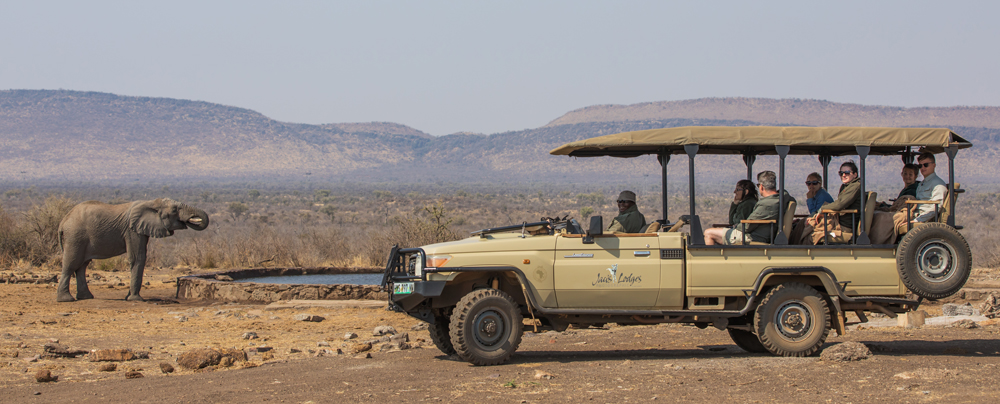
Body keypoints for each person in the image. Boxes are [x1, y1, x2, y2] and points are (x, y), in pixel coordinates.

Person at [705, 171, 795, 245]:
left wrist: (736, 227)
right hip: (760, 234)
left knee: (708, 233)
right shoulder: (781, 198)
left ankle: (711, 264)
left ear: (762, 187)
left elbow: (747, 226)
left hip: (753, 237)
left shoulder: (766, 204)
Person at [804, 161, 861, 244]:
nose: (843, 175)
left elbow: (840, 204)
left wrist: (822, 209)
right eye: (841, 173)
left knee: (809, 229)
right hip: (838, 220)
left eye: (847, 173)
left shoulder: (855, 186)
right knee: (808, 224)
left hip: (843, 225)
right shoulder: (846, 186)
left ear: (855, 174)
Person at [893, 152, 947, 233]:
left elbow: (937, 206)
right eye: (920, 166)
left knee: (888, 218)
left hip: (922, 217)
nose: (923, 168)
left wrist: (918, 220)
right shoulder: (922, 183)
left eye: (926, 165)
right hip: (914, 213)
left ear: (934, 165)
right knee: (887, 215)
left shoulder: (937, 184)